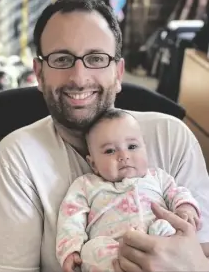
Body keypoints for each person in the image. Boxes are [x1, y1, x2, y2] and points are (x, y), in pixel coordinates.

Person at [0, 0, 209, 272]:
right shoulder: (16, 159)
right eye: (62, 59)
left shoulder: (172, 138)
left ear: (118, 72)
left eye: (97, 58)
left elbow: (203, 247)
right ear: (39, 74)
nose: (79, 77)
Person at [56, 109, 201, 272]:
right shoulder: (86, 185)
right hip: (114, 249)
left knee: (166, 228)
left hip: (158, 243)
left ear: (144, 149)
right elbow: (70, 218)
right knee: (91, 250)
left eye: (132, 146)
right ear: (93, 163)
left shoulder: (157, 177)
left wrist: (185, 208)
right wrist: (70, 249)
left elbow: (178, 193)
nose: (123, 155)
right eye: (110, 150)